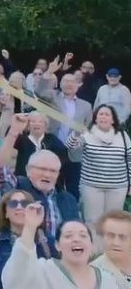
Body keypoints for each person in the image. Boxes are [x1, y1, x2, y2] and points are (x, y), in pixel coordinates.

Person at [2, 212, 127, 289]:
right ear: (57, 245)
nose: (76, 239)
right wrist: (29, 228)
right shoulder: (42, 270)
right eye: (68, 236)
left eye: (83, 236)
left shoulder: (108, 280)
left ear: (91, 245)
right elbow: (16, 284)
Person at [0, 113, 82, 239]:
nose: (47, 174)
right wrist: (14, 131)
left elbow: (76, 232)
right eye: (42, 169)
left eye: (53, 171)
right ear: (28, 170)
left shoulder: (67, 199)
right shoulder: (18, 188)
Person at [67, 104, 131, 241]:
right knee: (92, 221)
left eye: (107, 114)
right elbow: (70, 147)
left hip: (118, 187)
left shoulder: (123, 136)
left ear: (113, 119)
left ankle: (109, 249)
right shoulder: (87, 134)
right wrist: (76, 133)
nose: (103, 117)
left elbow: (130, 160)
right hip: (91, 186)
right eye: (100, 114)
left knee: (113, 221)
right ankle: (94, 249)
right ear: (95, 118)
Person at [38, 69, 93, 198]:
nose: (69, 84)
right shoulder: (52, 97)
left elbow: (89, 130)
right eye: (65, 81)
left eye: (72, 81)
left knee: (73, 189)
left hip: (74, 153)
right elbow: (39, 92)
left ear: (78, 85)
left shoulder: (86, 106)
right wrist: (48, 73)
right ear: (60, 84)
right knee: (52, 186)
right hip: (53, 149)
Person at [92, 210, 131, 288]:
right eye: (110, 236)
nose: (116, 243)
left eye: (122, 237)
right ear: (101, 237)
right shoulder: (93, 273)